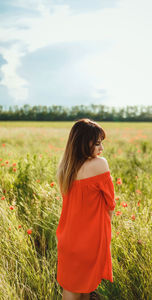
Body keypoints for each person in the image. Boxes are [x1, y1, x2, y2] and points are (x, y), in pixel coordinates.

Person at [56, 118, 116, 300]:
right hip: (89, 241)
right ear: (83, 143)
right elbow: (110, 204)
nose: (101, 149)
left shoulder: (66, 169)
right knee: (85, 291)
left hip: (67, 239)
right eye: (97, 144)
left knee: (71, 289)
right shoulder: (99, 164)